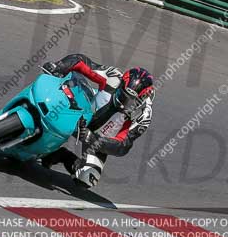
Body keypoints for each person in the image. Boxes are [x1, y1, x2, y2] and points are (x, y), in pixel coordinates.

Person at [39, 54, 154, 184]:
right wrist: (58, 66)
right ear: (121, 83)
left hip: (98, 137)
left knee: (86, 178)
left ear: (141, 100)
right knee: (62, 87)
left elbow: (123, 146)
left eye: (130, 100)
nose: (124, 101)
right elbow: (81, 62)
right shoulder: (113, 76)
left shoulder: (143, 117)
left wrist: (94, 139)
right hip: (84, 109)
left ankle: (60, 155)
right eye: (123, 93)